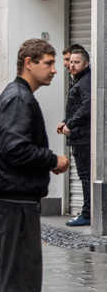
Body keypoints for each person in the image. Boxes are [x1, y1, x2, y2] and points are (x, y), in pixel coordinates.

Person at [0, 38, 69, 292]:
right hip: (14, 204)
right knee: (20, 281)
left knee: (6, 280)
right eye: (48, 63)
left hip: (5, 203)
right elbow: (14, 148)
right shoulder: (19, 99)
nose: (55, 70)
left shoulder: (14, 96)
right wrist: (52, 159)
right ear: (28, 63)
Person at [57, 49, 91, 226]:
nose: (72, 65)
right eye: (71, 62)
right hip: (79, 135)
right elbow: (77, 106)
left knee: (85, 175)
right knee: (84, 175)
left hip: (83, 137)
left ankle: (87, 214)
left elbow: (87, 105)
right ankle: (87, 213)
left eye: (76, 62)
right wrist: (65, 121)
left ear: (86, 64)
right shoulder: (79, 80)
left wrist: (71, 124)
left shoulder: (85, 81)